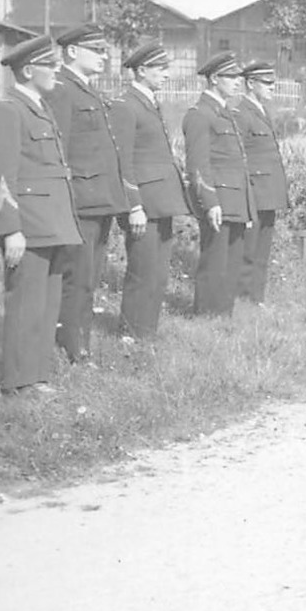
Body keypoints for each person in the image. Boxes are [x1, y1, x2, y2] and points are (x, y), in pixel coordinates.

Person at [0, 35, 83, 395]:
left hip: (52, 223)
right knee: (26, 303)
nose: (57, 70)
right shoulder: (10, 110)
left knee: (45, 303)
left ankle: (36, 376)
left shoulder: (39, 106)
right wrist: (10, 230)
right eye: (49, 65)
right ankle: (18, 381)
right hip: (29, 226)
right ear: (28, 70)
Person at [47, 24, 134, 363]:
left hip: (99, 200)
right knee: (77, 279)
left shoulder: (87, 90)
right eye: (96, 50)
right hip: (80, 202)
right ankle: (72, 348)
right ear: (71, 52)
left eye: (103, 50)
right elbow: (60, 152)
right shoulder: (62, 90)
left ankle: (76, 343)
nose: (104, 56)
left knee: (90, 278)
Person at [112, 43, 191, 339]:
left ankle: (147, 331)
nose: (166, 75)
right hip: (143, 204)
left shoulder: (150, 102)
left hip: (162, 202)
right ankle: (130, 333)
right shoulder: (126, 105)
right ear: (141, 70)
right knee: (142, 272)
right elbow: (123, 160)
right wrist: (133, 206)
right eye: (160, 69)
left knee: (157, 274)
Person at [183, 51, 253, 316]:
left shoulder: (224, 112)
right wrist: (210, 202)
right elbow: (198, 166)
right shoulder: (201, 114)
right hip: (219, 201)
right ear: (214, 78)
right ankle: (207, 315)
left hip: (235, 200)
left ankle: (224, 315)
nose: (237, 81)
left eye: (238, 77)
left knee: (231, 262)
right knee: (215, 262)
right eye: (231, 77)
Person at [236, 60, 290, 303]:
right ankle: (244, 299)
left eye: (273, 83)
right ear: (250, 84)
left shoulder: (260, 110)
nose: (272, 87)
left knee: (261, 252)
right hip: (254, 194)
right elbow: (238, 159)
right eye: (267, 83)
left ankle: (256, 300)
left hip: (268, 194)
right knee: (248, 251)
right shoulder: (241, 114)